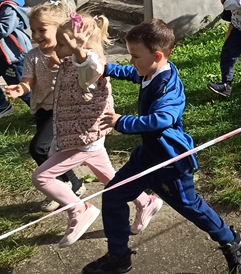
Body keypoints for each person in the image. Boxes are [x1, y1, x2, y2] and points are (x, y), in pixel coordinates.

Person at [87, 19, 241, 274]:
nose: (132, 62)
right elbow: (134, 74)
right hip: (146, 157)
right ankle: (118, 256)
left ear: (157, 56)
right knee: (113, 195)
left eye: (135, 56)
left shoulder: (169, 87)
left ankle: (231, 239)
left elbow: (163, 119)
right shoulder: (150, 71)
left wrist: (122, 122)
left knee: (190, 207)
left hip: (170, 161)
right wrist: (108, 69)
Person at [25, 13, 162, 249]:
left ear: (81, 44)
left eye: (61, 44)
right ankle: (144, 201)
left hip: (84, 137)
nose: (56, 48)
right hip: (86, 134)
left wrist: (78, 53)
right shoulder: (71, 62)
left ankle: (79, 209)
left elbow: (89, 69)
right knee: (109, 176)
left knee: (42, 177)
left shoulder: (91, 64)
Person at [4, 1, 85, 212]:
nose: (36, 35)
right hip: (42, 109)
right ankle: (74, 182)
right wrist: (20, 89)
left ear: (59, 30)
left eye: (42, 30)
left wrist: (61, 63)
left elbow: (81, 79)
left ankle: (61, 186)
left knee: (39, 148)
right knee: (50, 151)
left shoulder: (69, 56)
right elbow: (27, 81)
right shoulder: (32, 56)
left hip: (62, 110)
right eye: (33, 30)